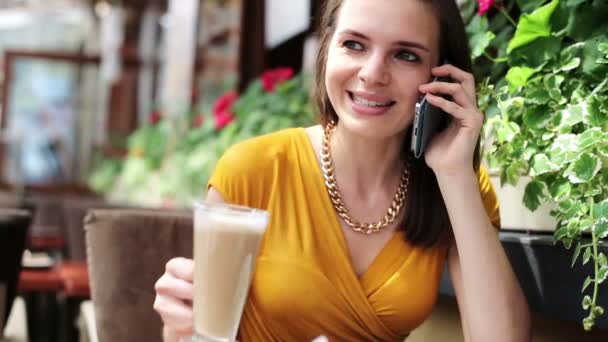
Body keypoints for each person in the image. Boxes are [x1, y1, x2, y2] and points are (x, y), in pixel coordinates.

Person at [154, 0, 531, 340]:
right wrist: (179, 327)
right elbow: (203, 331)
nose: (372, 73)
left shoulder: (455, 187)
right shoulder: (253, 169)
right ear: (327, 51)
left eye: (405, 55)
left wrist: (454, 174)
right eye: (354, 44)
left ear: (442, 79)